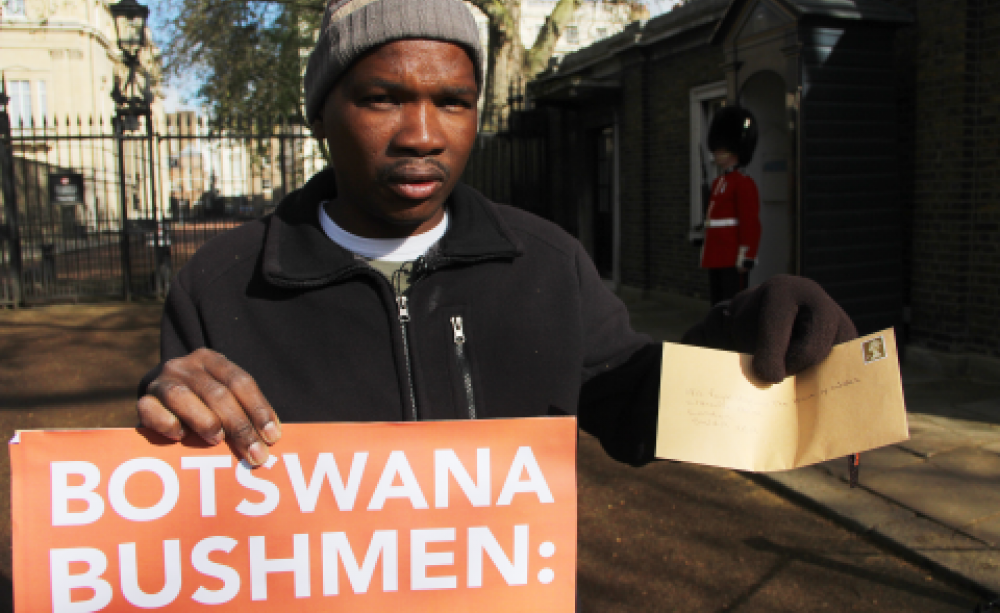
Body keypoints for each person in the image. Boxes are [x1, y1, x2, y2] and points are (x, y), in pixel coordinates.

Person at [137, 0, 856, 470]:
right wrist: (170, 413)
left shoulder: (546, 264)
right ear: (320, 113)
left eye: (453, 102)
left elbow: (637, 402)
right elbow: (183, 511)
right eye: (382, 98)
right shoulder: (222, 285)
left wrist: (746, 331)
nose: (423, 135)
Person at [701, 105, 762, 305]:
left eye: (721, 149)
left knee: (733, 304)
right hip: (715, 253)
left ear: (733, 150)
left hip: (731, 254)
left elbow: (749, 222)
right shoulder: (718, 182)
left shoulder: (743, 183)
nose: (717, 154)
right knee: (717, 303)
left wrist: (747, 255)